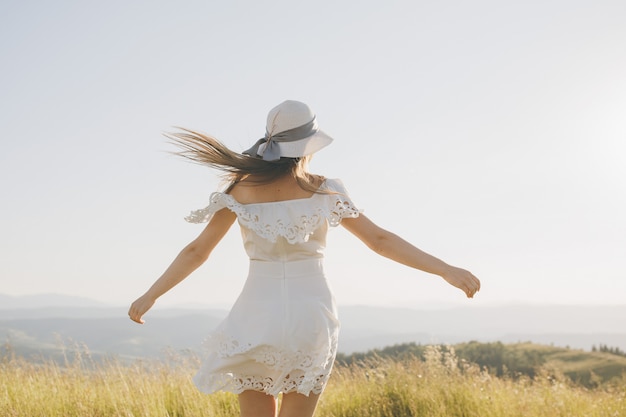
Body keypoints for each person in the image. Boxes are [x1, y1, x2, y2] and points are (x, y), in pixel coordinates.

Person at [128, 100, 481, 417]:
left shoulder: (240, 190)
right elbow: (380, 241)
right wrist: (444, 269)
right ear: (307, 147)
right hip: (310, 311)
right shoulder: (324, 190)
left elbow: (196, 251)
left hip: (256, 310)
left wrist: (151, 295)